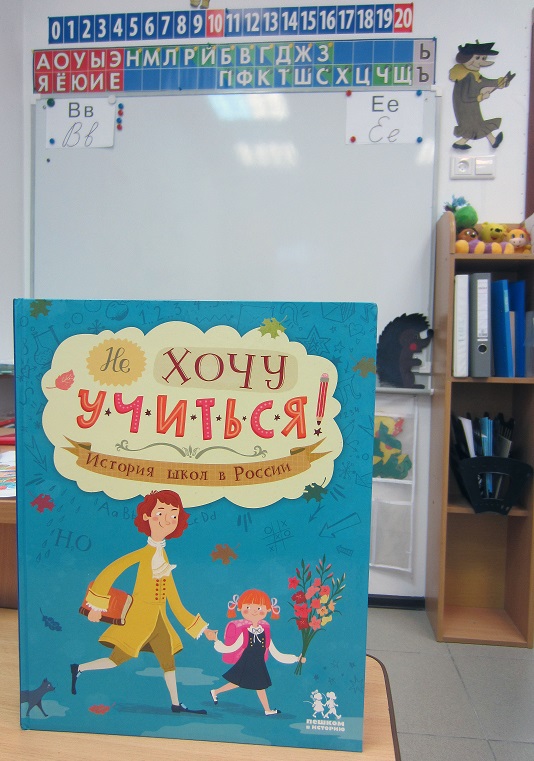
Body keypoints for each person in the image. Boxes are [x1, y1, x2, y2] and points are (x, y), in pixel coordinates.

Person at [70, 489, 217, 714]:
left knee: (168, 662)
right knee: (116, 660)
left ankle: (176, 704)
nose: (167, 519)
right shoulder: (143, 554)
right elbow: (110, 571)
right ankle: (79, 668)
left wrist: (203, 629)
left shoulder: (164, 557)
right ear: (147, 516)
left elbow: (174, 600)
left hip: (159, 620)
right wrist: (96, 607)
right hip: (138, 619)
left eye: (173, 515)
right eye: (161, 513)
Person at [210, 589, 304, 715]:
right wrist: (216, 641)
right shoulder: (245, 632)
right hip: (246, 662)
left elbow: (277, 654)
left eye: (259, 608)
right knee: (254, 685)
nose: (254, 611)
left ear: (268, 610)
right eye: (248, 607)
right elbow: (231, 648)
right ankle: (267, 710)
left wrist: (296, 659)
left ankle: (216, 692)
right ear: (240, 608)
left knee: (245, 684)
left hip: (258, 663)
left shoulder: (266, 633)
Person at [449, 40, 514, 150]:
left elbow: (484, 82)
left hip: (471, 107)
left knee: (476, 125)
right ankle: (490, 141)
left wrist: (499, 82)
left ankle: (490, 141)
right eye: (477, 58)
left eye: (483, 58)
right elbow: (464, 96)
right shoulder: (465, 76)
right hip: (466, 108)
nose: (480, 61)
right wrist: (480, 97)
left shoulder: (473, 74)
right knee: (474, 125)